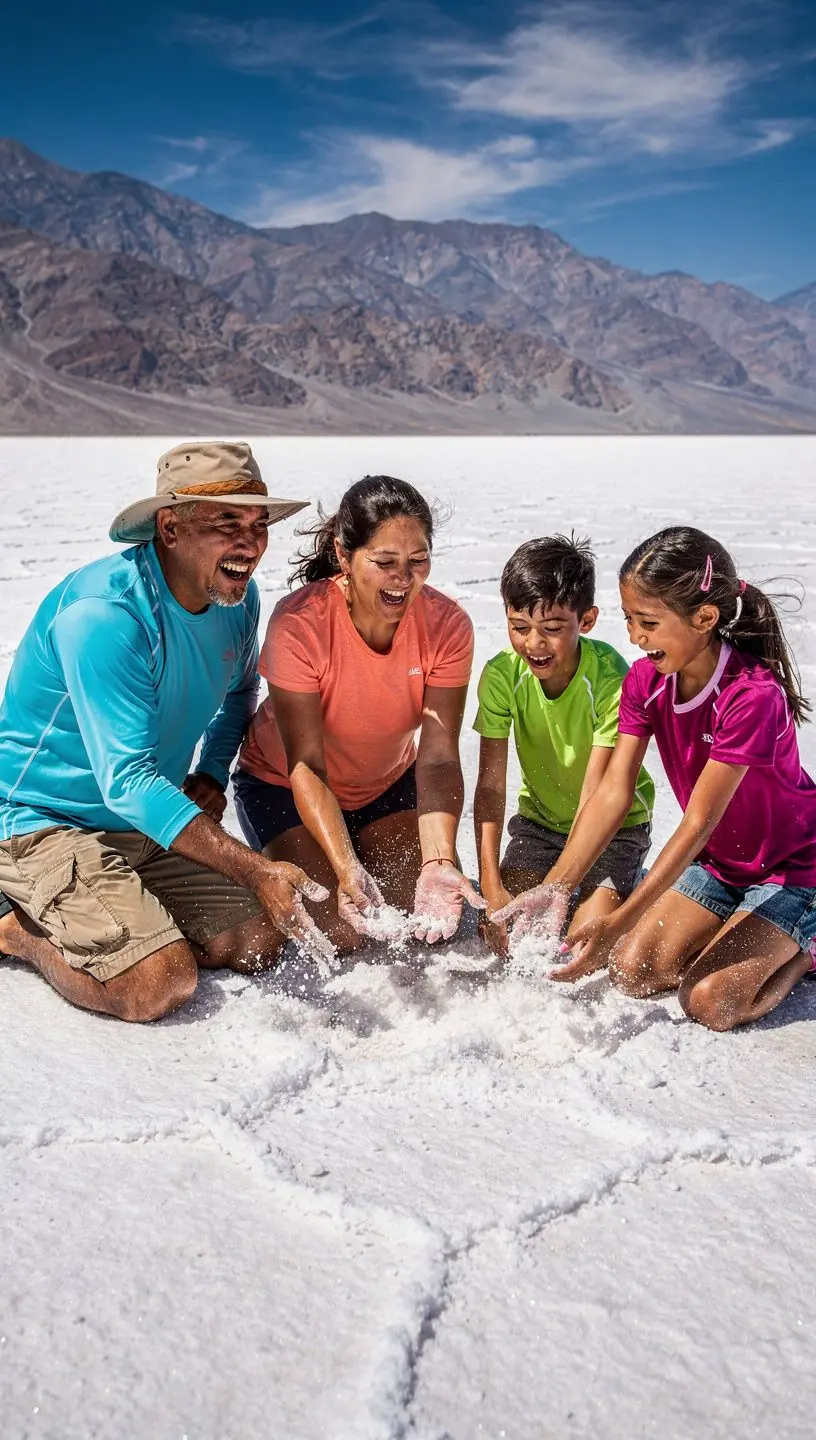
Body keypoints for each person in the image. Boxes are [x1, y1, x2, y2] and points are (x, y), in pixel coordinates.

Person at [0, 440, 334, 1023]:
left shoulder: (236, 598)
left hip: (141, 823)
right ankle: (15, 929)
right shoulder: (107, 616)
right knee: (158, 982)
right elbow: (127, 781)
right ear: (170, 528)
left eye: (258, 524)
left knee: (257, 939)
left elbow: (238, 692)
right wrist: (254, 866)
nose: (250, 543)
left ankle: (120, 912)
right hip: (43, 823)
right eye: (227, 521)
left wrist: (209, 771)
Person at [495, 525, 816, 1032]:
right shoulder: (645, 681)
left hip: (793, 868)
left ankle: (805, 950)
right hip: (719, 869)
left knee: (710, 1002)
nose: (633, 636)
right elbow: (614, 789)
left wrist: (620, 919)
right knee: (630, 969)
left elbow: (697, 824)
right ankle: (744, 933)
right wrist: (562, 884)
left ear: (704, 618)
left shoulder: (751, 695)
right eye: (628, 619)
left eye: (647, 622)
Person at [234, 475, 484, 949]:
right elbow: (306, 761)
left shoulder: (447, 625)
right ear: (344, 556)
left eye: (418, 561)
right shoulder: (300, 624)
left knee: (419, 914)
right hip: (284, 785)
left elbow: (437, 758)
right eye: (384, 562)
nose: (403, 578)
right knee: (344, 932)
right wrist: (346, 865)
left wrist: (439, 859)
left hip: (385, 785)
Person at [473, 535, 654, 955]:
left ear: (586, 620)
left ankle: (634, 890)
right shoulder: (502, 676)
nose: (534, 644)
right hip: (540, 825)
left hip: (613, 830)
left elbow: (597, 793)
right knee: (505, 934)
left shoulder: (610, 679)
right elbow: (490, 786)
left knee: (581, 943)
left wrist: (558, 884)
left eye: (552, 629)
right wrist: (490, 883)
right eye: (519, 627)